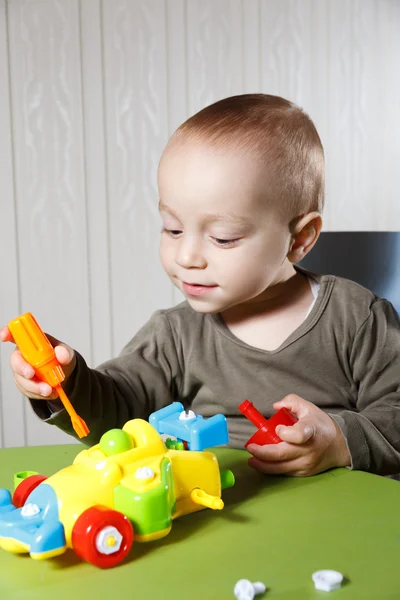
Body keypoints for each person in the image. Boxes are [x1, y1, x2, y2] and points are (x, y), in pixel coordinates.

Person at [2, 94, 400, 477]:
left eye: (223, 237)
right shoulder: (175, 334)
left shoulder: (356, 319)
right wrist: (65, 384)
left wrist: (338, 442)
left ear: (299, 239)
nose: (187, 256)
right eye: (172, 228)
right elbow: (117, 410)